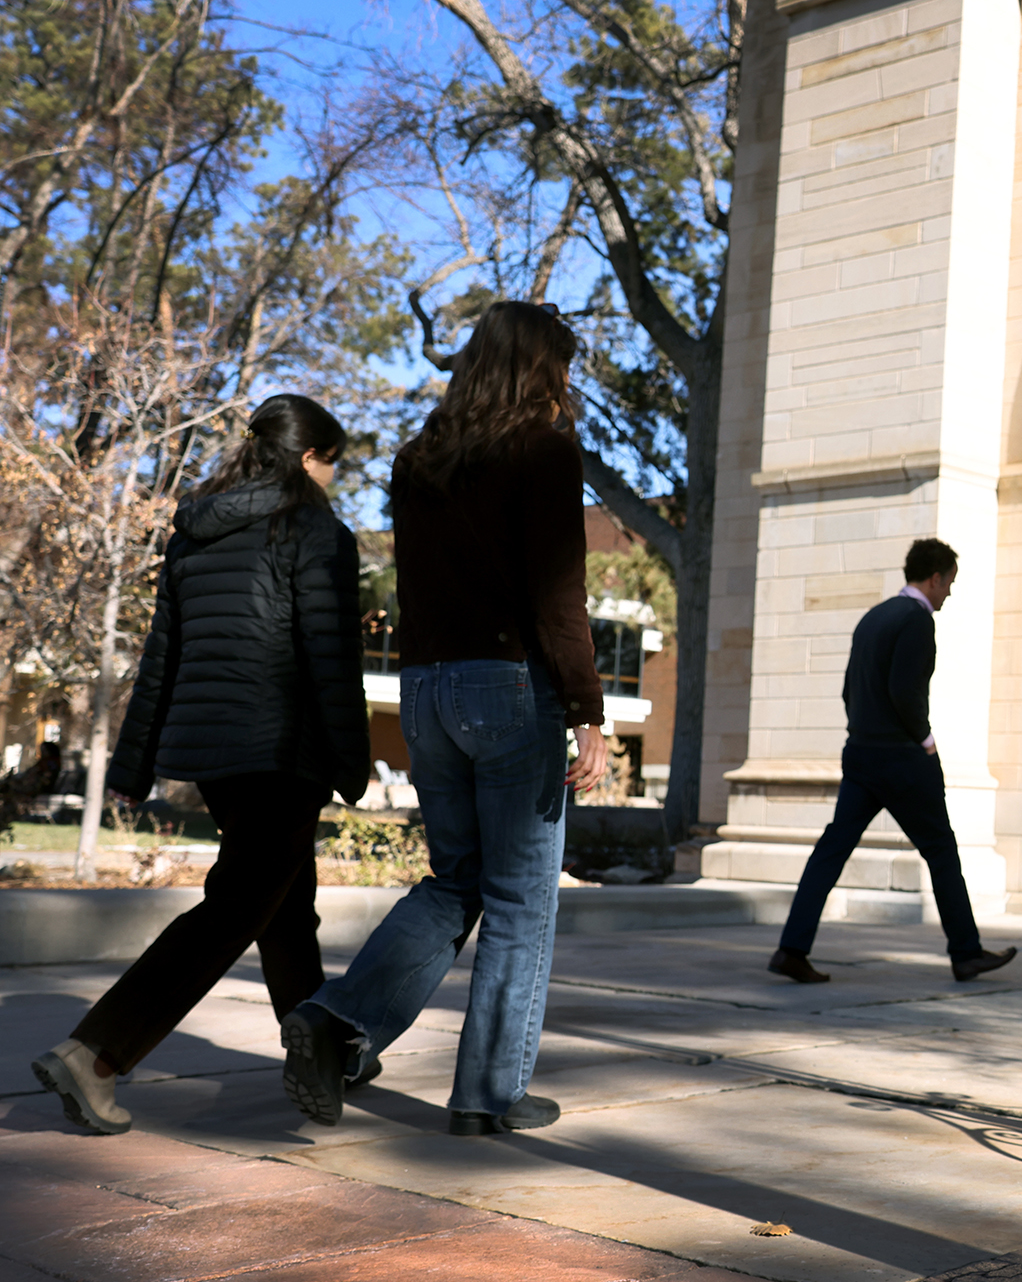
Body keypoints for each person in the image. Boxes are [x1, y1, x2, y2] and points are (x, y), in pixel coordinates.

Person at [278, 300, 608, 1137]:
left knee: (455, 881)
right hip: (507, 689)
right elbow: (556, 593)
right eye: (562, 364)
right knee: (521, 901)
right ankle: (490, 1095)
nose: (568, 380)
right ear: (540, 365)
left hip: (426, 691)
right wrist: (588, 712)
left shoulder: (417, 458)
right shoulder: (542, 447)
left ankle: (331, 1018)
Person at [31, 395, 369, 1135]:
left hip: (212, 755)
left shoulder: (193, 534)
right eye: (333, 464)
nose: (334, 480)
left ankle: (324, 1047)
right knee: (236, 909)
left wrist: (135, 762)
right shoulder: (317, 530)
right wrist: (353, 762)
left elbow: (161, 660)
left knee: (282, 906)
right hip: (283, 751)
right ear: (310, 459)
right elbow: (330, 658)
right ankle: (96, 1054)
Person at [770, 538, 1014, 985]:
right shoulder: (916, 620)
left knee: (831, 852)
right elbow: (906, 692)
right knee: (941, 851)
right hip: (901, 760)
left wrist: (867, 731)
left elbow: (849, 691)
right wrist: (925, 741)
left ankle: (791, 949)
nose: (949, 594)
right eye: (950, 584)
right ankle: (966, 952)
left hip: (861, 755)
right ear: (935, 577)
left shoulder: (873, 617)